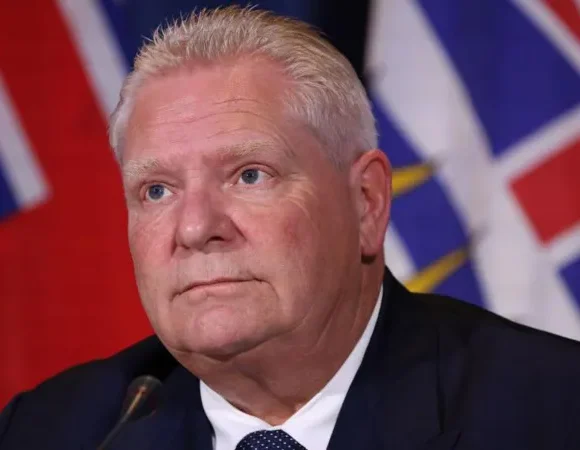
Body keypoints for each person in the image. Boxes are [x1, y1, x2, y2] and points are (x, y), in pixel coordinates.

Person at [1, 6, 580, 450]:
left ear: (366, 202)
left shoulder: (552, 411)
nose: (196, 227)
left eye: (249, 175)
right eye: (156, 190)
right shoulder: (52, 432)